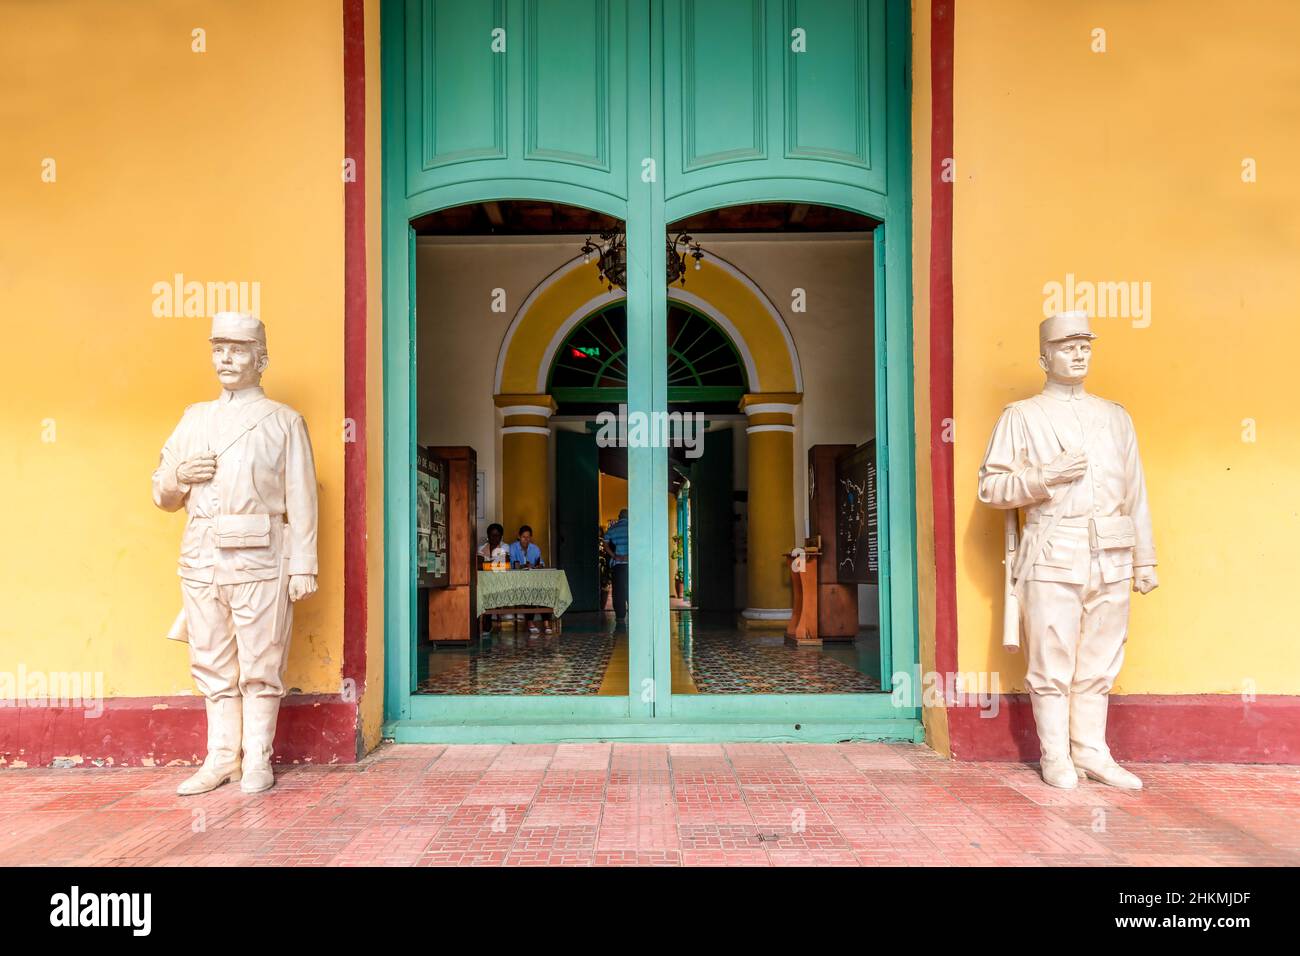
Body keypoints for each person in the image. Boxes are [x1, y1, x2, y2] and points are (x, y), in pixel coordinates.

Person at [977, 312, 1157, 791]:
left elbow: (1136, 493)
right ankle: (1056, 754)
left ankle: (1092, 751)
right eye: (1066, 346)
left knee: (1101, 659)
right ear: (1044, 357)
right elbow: (991, 488)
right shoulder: (1022, 417)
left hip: (1113, 550)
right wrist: (1045, 477)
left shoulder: (1116, 417)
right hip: (1053, 547)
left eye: (1084, 346)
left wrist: (1145, 559)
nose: (1078, 354)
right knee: (1052, 659)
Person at [152, 312, 318, 796]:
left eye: (238, 349)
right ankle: (221, 758)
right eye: (218, 348)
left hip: (262, 556)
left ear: (260, 358)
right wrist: (181, 474)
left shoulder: (284, 422)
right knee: (210, 661)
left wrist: (303, 564)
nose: (225, 358)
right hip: (201, 555)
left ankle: (257, 760)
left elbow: (302, 499)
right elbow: (161, 495)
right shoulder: (193, 418)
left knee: (261, 663)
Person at [509, 525, 552, 633]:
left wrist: (538, 566)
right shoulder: (513, 547)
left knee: (544, 590)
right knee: (529, 591)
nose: (526, 540)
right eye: (524, 537)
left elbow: (541, 563)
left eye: (528, 537)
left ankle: (546, 623)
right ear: (519, 537)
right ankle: (530, 623)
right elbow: (513, 565)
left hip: (532, 579)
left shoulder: (535, 548)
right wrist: (525, 566)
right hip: (517, 580)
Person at [477, 523, 509, 632]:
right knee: (483, 590)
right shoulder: (482, 548)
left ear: (501, 537)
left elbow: (504, 565)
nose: (494, 538)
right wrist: (495, 563)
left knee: (490, 590)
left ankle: (487, 620)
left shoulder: (505, 547)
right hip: (485, 582)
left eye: (497, 536)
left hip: (501, 581)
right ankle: (486, 620)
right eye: (492, 535)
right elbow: (478, 566)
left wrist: (487, 564)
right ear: (488, 536)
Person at [603, 508, 630, 624]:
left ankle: (620, 615)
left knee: (618, 590)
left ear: (619, 517)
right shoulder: (633, 528)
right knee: (631, 588)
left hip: (618, 564)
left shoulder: (613, 529)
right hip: (631, 564)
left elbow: (605, 543)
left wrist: (614, 556)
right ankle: (636, 611)